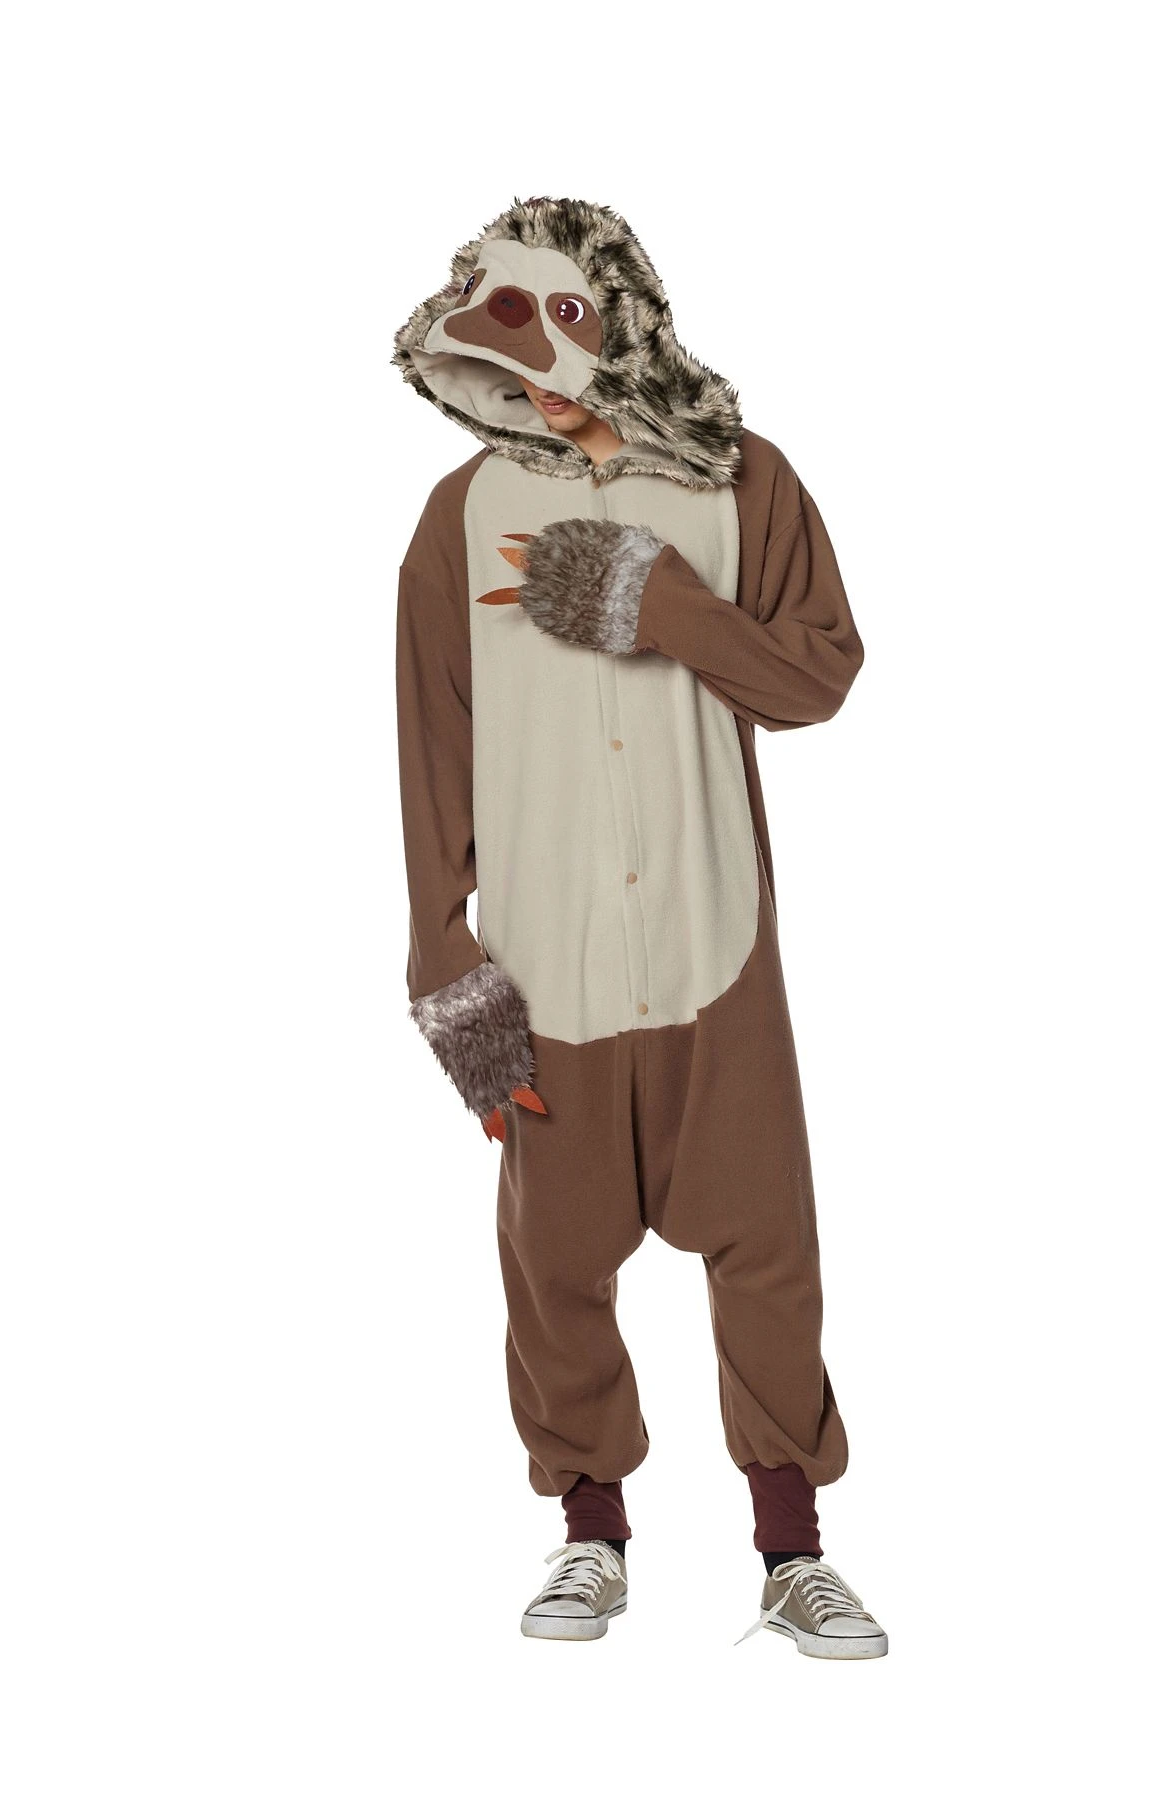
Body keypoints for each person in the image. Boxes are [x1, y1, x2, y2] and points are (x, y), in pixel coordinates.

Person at [392, 196, 887, 1657]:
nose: (536, 386)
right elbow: (432, 748)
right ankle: (590, 1536)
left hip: (711, 939)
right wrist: (442, 955)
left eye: (557, 345)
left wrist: (659, 606)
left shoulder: (741, 485)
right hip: (542, 958)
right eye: (501, 356)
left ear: (624, 328)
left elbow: (817, 678)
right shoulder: (459, 518)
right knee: (553, 1261)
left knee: (769, 1247)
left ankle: (791, 1549)